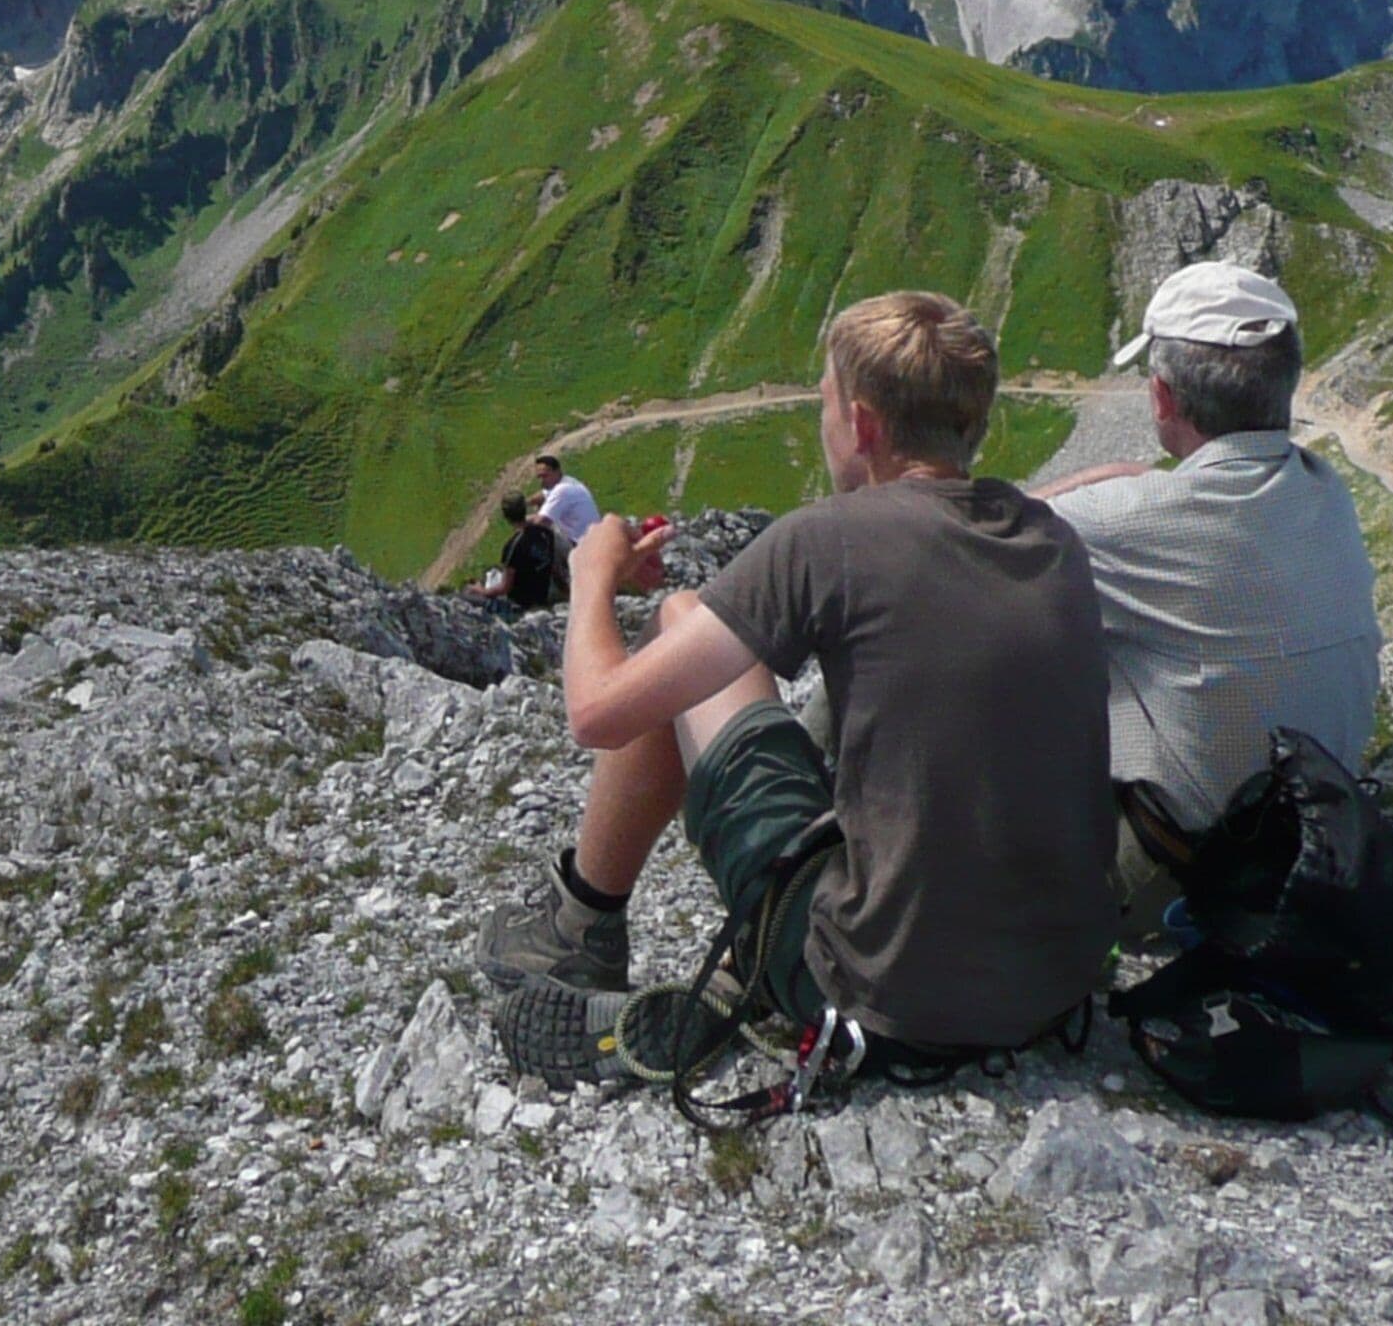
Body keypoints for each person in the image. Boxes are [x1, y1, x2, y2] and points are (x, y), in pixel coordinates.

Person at [476, 291, 1114, 1083]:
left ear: (866, 424)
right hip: (1054, 986)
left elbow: (597, 712)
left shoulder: (827, 540)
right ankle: (746, 965)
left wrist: (592, 574)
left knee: (680, 620)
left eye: (825, 403)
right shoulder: (1052, 539)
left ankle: (582, 929)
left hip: (888, 998)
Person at [1031, 260, 1379, 928]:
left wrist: (1101, 480)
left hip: (1187, 871)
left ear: (1163, 398)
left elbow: (962, 535)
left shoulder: (1121, 521)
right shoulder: (1325, 490)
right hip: (1316, 842)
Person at [474, 492, 566, 610]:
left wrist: (481, 591)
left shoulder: (514, 546)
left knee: (476, 587)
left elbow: (504, 588)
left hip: (522, 603)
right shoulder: (546, 533)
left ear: (506, 516)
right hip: (543, 593)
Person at [529, 454, 600, 550]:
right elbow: (543, 494)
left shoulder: (562, 490)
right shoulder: (567, 481)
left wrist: (518, 519)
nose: (541, 481)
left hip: (582, 544)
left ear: (557, 471)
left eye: (545, 476)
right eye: (539, 477)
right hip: (591, 536)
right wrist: (525, 503)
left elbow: (541, 521)